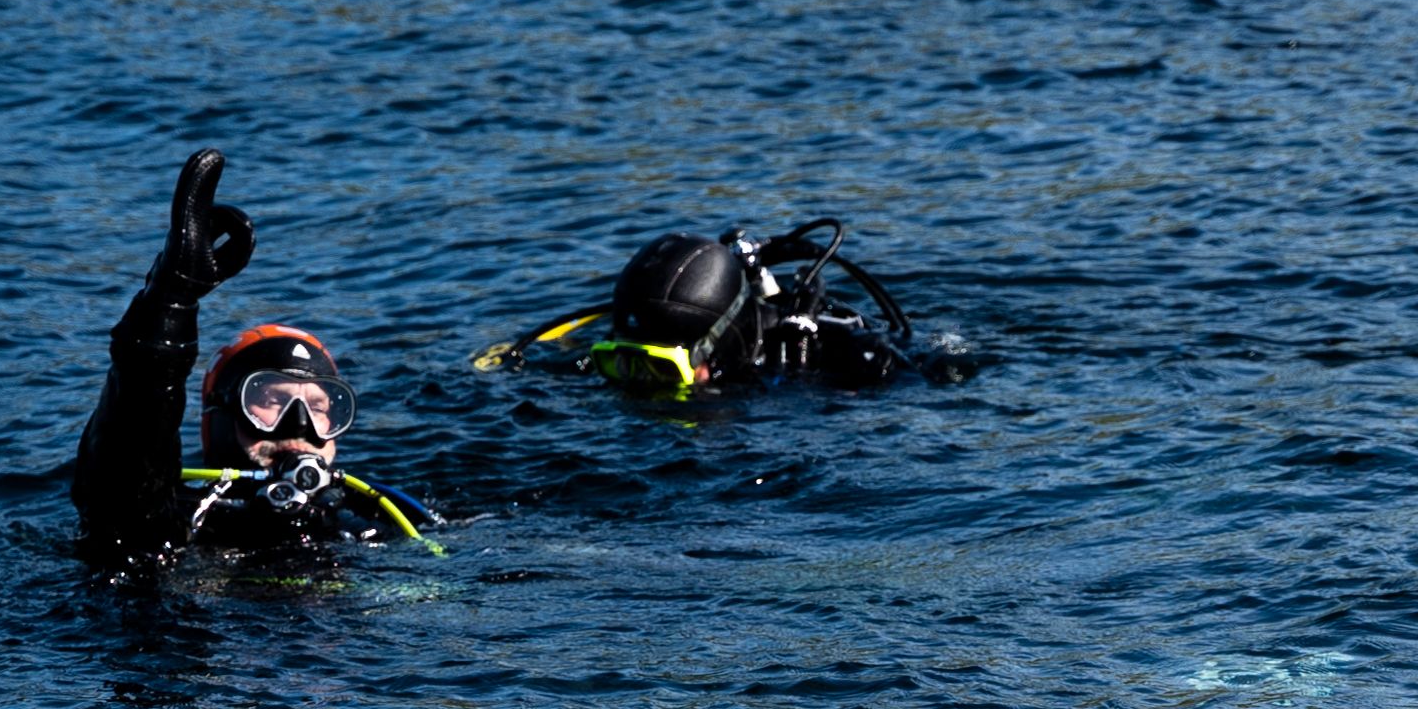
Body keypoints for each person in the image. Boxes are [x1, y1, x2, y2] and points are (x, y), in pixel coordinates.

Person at [67, 148, 435, 569]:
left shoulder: (379, 517)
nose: (299, 426)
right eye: (271, 401)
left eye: (319, 406)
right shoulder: (175, 520)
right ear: (220, 416)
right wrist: (171, 302)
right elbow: (127, 453)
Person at [479, 218, 916, 395]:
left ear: (720, 345)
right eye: (622, 364)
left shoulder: (824, 358)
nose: (642, 389)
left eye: (663, 369)